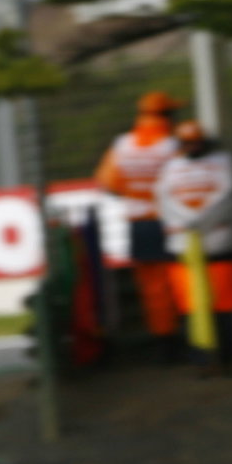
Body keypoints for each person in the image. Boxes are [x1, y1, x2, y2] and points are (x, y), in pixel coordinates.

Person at [94, 90, 184, 358]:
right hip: (171, 223)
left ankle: (164, 344)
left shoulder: (122, 145)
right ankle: (191, 339)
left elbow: (108, 182)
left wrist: (135, 192)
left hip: (138, 225)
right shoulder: (173, 145)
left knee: (152, 289)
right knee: (180, 282)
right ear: (167, 116)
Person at [155, 120, 232, 371]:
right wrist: (191, 224)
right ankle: (200, 361)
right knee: (190, 308)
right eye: (186, 142)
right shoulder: (170, 168)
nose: (191, 146)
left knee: (224, 308)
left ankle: (228, 359)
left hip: (222, 247)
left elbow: (231, 195)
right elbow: (164, 201)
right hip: (183, 249)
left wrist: (200, 223)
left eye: (195, 141)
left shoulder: (225, 162)